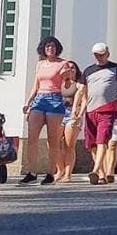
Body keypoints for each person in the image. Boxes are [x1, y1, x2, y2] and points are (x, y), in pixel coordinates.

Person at [74, 42, 117, 185]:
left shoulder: (116, 68)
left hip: (108, 110)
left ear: (107, 54)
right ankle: (102, 174)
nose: (98, 57)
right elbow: (81, 91)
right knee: (92, 143)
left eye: (101, 54)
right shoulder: (88, 71)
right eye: (96, 55)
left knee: (102, 140)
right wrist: (76, 108)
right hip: (90, 111)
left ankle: (95, 169)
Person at [21, 35, 69, 185]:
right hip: (39, 99)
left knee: (53, 140)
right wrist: (28, 102)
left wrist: (67, 77)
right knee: (32, 137)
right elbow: (35, 85)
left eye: (53, 46)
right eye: (48, 46)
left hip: (54, 99)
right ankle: (31, 171)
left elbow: (67, 85)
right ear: (43, 48)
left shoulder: (63, 63)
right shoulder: (40, 64)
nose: (50, 49)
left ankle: (50, 173)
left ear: (57, 49)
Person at [54, 60, 81, 183]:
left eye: (73, 67)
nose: (70, 69)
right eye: (68, 67)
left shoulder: (79, 84)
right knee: (54, 143)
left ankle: (68, 173)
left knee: (69, 145)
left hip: (72, 114)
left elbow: (84, 100)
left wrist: (79, 115)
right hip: (59, 113)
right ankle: (60, 170)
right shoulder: (58, 83)